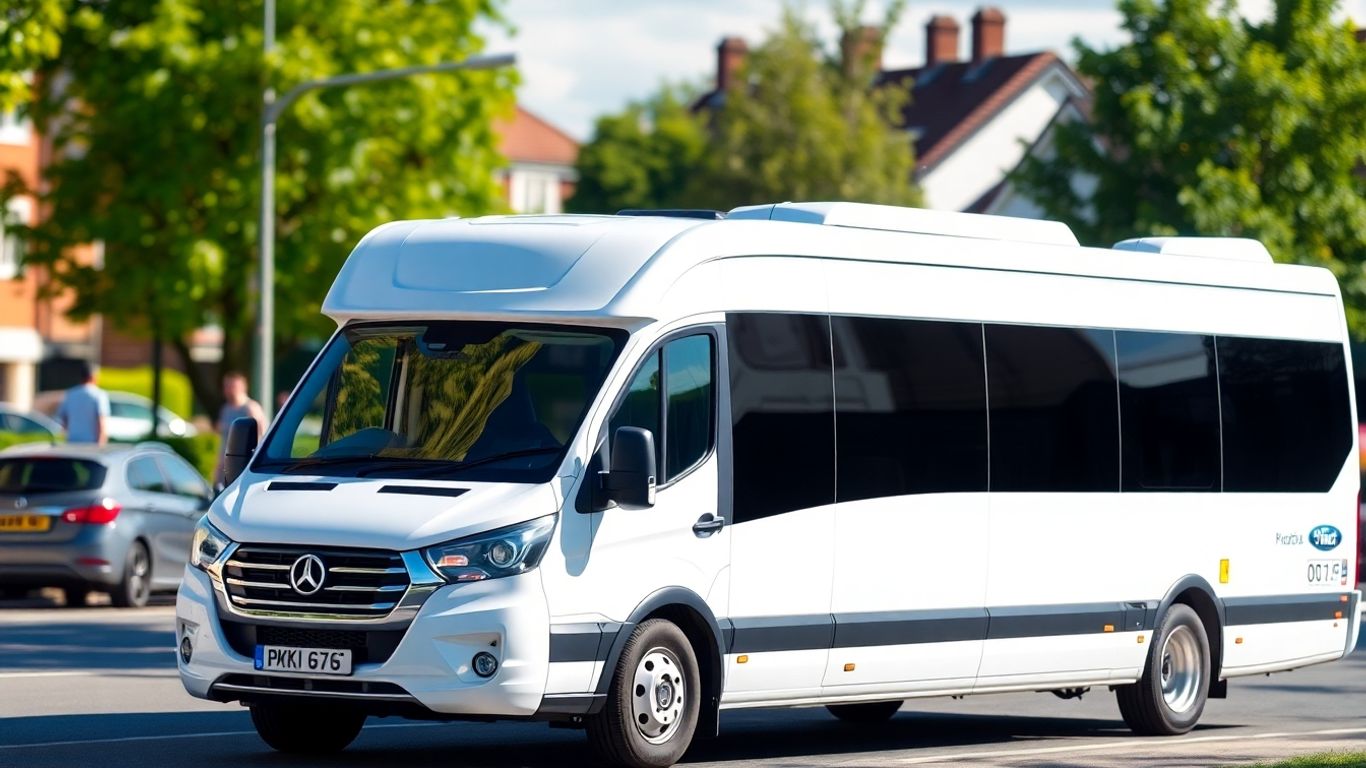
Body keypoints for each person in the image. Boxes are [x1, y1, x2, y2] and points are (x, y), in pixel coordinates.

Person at [214, 371, 268, 486]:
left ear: (242, 387)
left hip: (245, 464)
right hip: (227, 464)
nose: (228, 390)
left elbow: (261, 436)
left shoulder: (251, 408)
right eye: (226, 386)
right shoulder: (226, 409)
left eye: (232, 386)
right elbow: (223, 441)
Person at [55, 362, 109, 445]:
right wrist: (101, 444)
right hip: (91, 443)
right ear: (94, 377)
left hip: (72, 441)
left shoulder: (71, 394)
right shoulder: (99, 395)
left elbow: (63, 418)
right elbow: (101, 422)